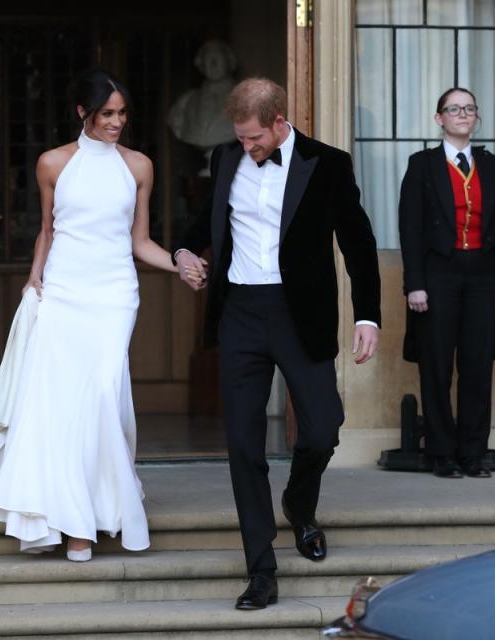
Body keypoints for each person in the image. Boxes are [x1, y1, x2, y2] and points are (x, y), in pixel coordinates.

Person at [173, 78, 381, 610]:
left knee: (322, 429)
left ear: (279, 121)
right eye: (240, 139)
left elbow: (357, 242)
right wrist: (182, 252)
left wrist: (368, 317)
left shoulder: (327, 164)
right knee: (243, 444)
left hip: (299, 316)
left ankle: (299, 504)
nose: (246, 148)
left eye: (254, 139)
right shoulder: (224, 159)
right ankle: (261, 570)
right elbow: (199, 225)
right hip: (240, 312)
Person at [0, 70, 204, 562]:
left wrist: (178, 261)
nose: (117, 122)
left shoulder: (139, 166)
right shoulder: (52, 163)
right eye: (107, 113)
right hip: (63, 291)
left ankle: (94, 515)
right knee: (61, 406)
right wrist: (34, 278)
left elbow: (139, 240)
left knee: (103, 398)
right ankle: (71, 524)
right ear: (82, 112)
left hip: (114, 295)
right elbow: (47, 229)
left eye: (122, 113)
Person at [398, 87, 495, 479]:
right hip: (438, 275)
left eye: (469, 108)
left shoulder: (489, 164)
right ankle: (441, 453)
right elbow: (410, 229)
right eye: (454, 109)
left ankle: (473, 453)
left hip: (484, 276)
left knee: (477, 365)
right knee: (436, 365)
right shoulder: (422, 165)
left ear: (476, 117)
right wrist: (414, 284)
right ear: (440, 119)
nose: (462, 114)